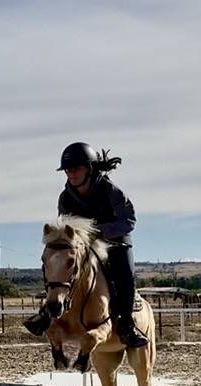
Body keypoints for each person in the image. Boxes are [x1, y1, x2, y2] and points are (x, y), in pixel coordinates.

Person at [24, 142, 149, 348]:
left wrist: (98, 232)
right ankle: (46, 313)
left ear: (89, 168)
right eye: (67, 170)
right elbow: (64, 229)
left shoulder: (110, 190)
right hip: (82, 247)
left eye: (76, 168)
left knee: (125, 274)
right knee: (54, 261)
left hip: (115, 242)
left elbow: (129, 220)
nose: (71, 174)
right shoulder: (65, 197)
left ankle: (127, 325)